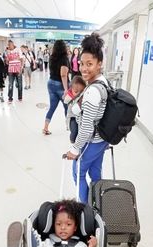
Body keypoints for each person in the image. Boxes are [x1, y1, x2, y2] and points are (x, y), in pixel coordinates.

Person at [66, 33, 108, 204]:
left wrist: (75, 149)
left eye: (89, 64)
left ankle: (85, 210)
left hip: (91, 141)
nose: (84, 68)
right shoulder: (103, 82)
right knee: (96, 172)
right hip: (102, 140)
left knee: (79, 171)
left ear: (99, 64)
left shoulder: (92, 91)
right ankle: (99, 204)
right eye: (82, 64)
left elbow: (86, 128)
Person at [42, 40, 69, 135]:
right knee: (67, 106)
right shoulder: (64, 58)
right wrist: (66, 89)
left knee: (52, 107)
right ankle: (68, 126)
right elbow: (63, 75)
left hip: (50, 83)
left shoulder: (51, 57)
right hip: (60, 85)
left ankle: (45, 128)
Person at [64, 75, 86, 143]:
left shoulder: (84, 96)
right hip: (73, 117)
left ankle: (77, 142)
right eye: (76, 91)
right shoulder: (69, 96)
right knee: (74, 131)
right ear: (71, 89)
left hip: (81, 118)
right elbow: (66, 100)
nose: (78, 93)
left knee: (80, 132)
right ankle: (72, 140)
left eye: (81, 91)